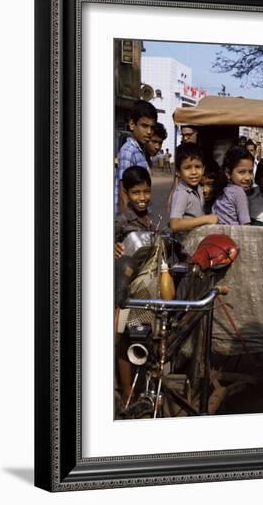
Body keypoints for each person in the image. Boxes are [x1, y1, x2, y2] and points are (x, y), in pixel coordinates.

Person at [113, 166, 154, 409]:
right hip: (125, 292)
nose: (142, 197)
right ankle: (127, 391)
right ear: (127, 194)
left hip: (147, 290)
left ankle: (144, 387)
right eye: (136, 192)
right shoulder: (121, 222)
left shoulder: (151, 220)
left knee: (145, 336)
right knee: (126, 340)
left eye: (146, 191)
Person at [114, 100, 157, 214]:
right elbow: (123, 192)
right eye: (144, 126)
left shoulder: (140, 150)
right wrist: (127, 226)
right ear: (132, 124)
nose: (149, 132)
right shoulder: (128, 151)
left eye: (152, 127)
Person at [169, 142, 218, 232]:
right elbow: (174, 224)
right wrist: (206, 219)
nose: (194, 172)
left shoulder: (198, 188)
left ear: (203, 169)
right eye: (187, 168)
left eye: (197, 167)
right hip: (186, 242)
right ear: (178, 171)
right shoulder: (182, 193)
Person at [212, 146, 254, 225]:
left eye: (250, 172)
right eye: (242, 172)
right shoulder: (238, 192)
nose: (248, 177)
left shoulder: (224, 190)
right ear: (228, 173)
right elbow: (245, 225)